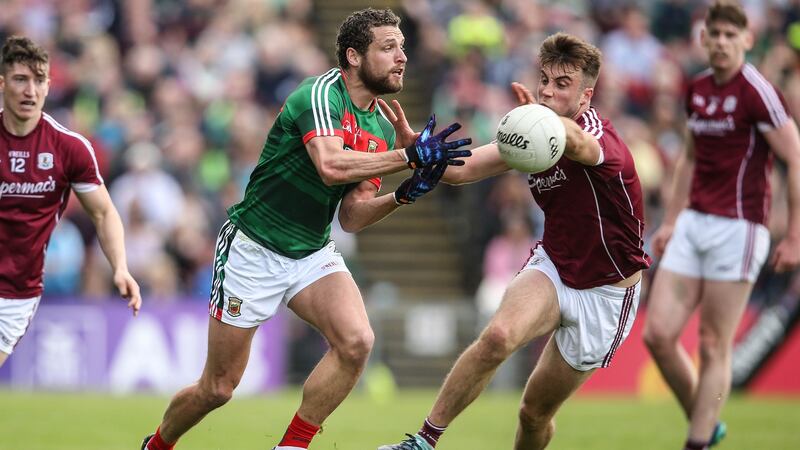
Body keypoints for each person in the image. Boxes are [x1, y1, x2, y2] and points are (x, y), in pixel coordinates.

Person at [140, 8, 471, 450]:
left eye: (403, 47)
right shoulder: (319, 93)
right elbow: (331, 165)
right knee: (217, 389)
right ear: (353, 56)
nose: (402, 57)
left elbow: (352, 216)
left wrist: (405, 194)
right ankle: (157, 445)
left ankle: (291, 446)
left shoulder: (378, 125)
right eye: (389, 47)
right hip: (253, 248)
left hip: (312, 252)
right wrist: (409, 158)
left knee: (356, 341)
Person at [378, 32, 650, 450]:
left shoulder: (598, 137)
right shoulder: (533, 128)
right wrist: (417, 151)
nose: (547, 90)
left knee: (534, 414)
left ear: (586, 95)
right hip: (556, 268)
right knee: (498, 337)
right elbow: (461, 171)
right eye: (545, 79)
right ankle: (424, 441)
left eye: (562, 84)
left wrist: (545, 125)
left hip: (608, 294)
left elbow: (577, 143)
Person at [643, 2, 800, 449]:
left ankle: (697, 442)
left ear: (748, 41)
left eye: (732, 35)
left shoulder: (759, 92)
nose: (722, 42)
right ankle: (705, 420)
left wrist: (794, 235)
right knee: (658, 335)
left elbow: (794, 157)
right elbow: (690, 157)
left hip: (741, 228)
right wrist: (671, 219)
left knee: (713, 343)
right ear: (703, 39)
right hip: (693, 222)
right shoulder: (696, 89)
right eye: (716, 35)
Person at [0, 36, 142, 368]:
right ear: (3, 83)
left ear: (49, 86)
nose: (30, 91)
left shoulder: (69, 148)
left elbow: (104, 212)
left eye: (39, 80)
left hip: (17, 292)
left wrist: (120, 267)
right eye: (21, 79)